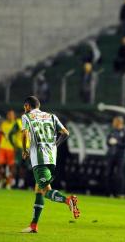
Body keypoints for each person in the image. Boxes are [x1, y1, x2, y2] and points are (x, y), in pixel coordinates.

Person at [20, 96, 79, 233]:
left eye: (25, 107)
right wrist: (54, 146)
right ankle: (33, 225)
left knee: (45, 190)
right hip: (52, 159)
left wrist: (24, 150)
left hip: (39, 160)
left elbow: (24, 135)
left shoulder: (26, 117)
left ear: (28, 106)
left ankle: (68, 200)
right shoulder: (51, 116)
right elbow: (65, 133)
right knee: (39, 190)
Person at [105, 116, 125, 197]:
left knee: (120, 174)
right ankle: (109, 193)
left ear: (119, 122)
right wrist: (109, 142)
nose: (113, 123)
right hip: (111, 155)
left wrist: (117, 142)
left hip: (121, 156)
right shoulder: (112, 131)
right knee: (109, 173)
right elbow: (108, 142)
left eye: (115, 122)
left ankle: (120, 192)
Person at [0, 110, 17, 189]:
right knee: (0, 166)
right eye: (9, 115)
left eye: (12, 115)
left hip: (12, 148)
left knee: (11, 168)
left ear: (14, 116)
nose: (10, 116)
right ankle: (3, 180)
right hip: (2, 148)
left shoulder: (16, 124)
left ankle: (8, 182)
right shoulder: (3, 124)